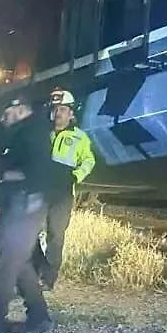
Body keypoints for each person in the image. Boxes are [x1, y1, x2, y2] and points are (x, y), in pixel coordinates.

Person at [0, 95, 55, 333]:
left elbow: (36, 170)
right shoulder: (17, 130)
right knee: (18, 261)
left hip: (27, 202)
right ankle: (39, 316)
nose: (2, 118)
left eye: (5, 113)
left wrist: (1, 175)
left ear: (20, 109)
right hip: (16, 202)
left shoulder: (34, 132)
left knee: (6, 261)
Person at [31, 88, 95, 290]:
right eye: (54, 109)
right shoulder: (41, 134)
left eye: (62, 109)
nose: (57, 113)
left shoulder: (80, 137)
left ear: (71, 113)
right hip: (39, 189)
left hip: (62, 193)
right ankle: (38, 267)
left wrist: (75, 176)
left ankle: (47, 279)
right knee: (29, 232)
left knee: (56, 235)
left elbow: (88, 160)